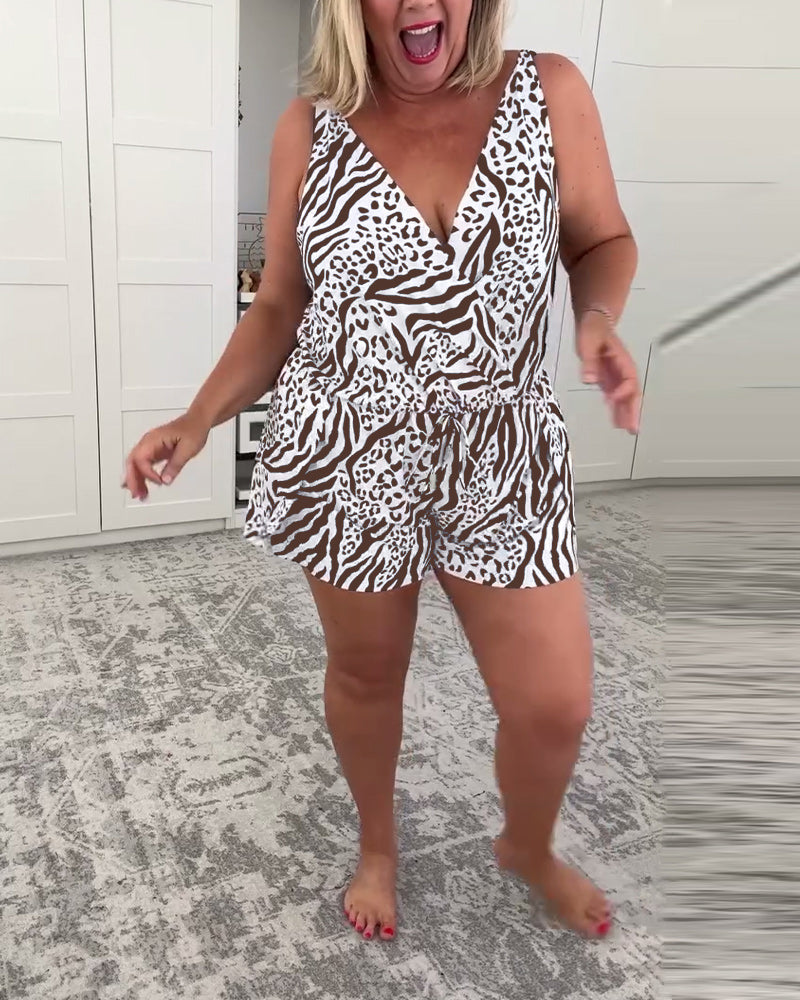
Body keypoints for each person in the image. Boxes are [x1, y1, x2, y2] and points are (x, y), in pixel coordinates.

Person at [122, 0, 640, 943]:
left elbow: (601, 238)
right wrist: (198, 418)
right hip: (350, 447)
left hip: (503, 447)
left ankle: (527, 845)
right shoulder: (309, 127)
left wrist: (597, 318)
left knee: (555, 704)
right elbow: (279, 306)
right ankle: (378, 848)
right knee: (366, 672)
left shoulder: (549, 89)